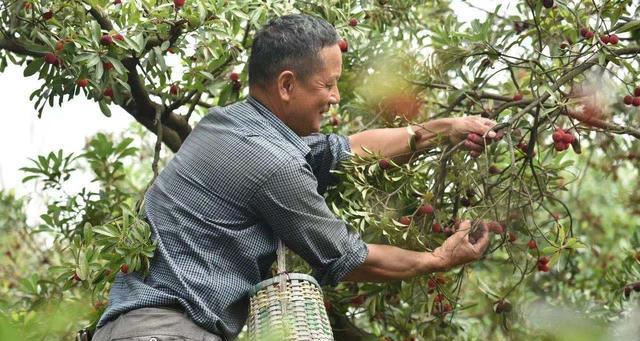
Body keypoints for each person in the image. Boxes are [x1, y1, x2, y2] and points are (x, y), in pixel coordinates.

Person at [92, 13, 495, 341]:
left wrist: (442, 130)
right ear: (287, 85)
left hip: (131, 327)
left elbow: (351, 148)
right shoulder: (273, 164)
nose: (335, 97)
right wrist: (439, 259)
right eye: (328, 84)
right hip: (170, 332)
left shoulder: (226, 124)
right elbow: (348, 258)